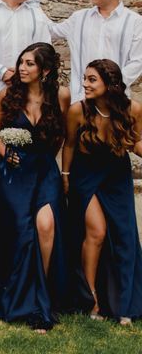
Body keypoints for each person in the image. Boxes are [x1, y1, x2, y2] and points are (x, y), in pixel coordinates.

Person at [0, 42, 70, 332]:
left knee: (46, 225)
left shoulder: (61, 95)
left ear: (45, 70)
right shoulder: (7, 95)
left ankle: (41, 296)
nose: (22, 67)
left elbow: (61, 136)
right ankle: (23, 296)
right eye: (21, 62)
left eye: (29, 63)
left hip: (45, 170)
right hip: (14, 170)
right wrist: (6, 153)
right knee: (22, 232)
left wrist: (51, 161)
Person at [62, 59, 142, 325]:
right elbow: (70, 144)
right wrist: (65, 176)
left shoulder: (133, 110)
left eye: (92, 79)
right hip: (85, 175)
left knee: (125, 235)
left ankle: (124, 304)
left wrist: (135, 144)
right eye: (84, 78)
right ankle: (91, 299)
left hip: (116, 175)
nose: (84, 84)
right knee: (96, 231)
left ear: (110, 84)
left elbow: (137, 142)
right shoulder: (78, 110)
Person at [48, 0, 142, 103]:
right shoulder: (78, 18)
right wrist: (32, 6)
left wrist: (111, 85)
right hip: (80, 100)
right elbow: (50, 30)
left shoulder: (135, 22)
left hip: (116, 101)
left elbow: (137, 61)